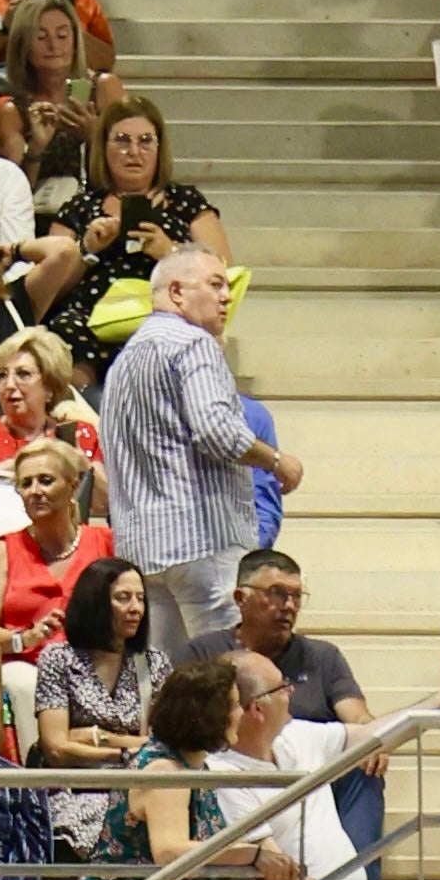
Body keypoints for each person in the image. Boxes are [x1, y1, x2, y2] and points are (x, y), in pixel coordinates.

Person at [99, 246, 282, 669]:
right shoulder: (194, 342)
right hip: (202, 541)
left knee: (169, 680)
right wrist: (276, 461)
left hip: (144, 550)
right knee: (232, 670)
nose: (227, 297)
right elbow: (216, 431)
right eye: (216, 284)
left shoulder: (123, 361)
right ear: (176, 292)